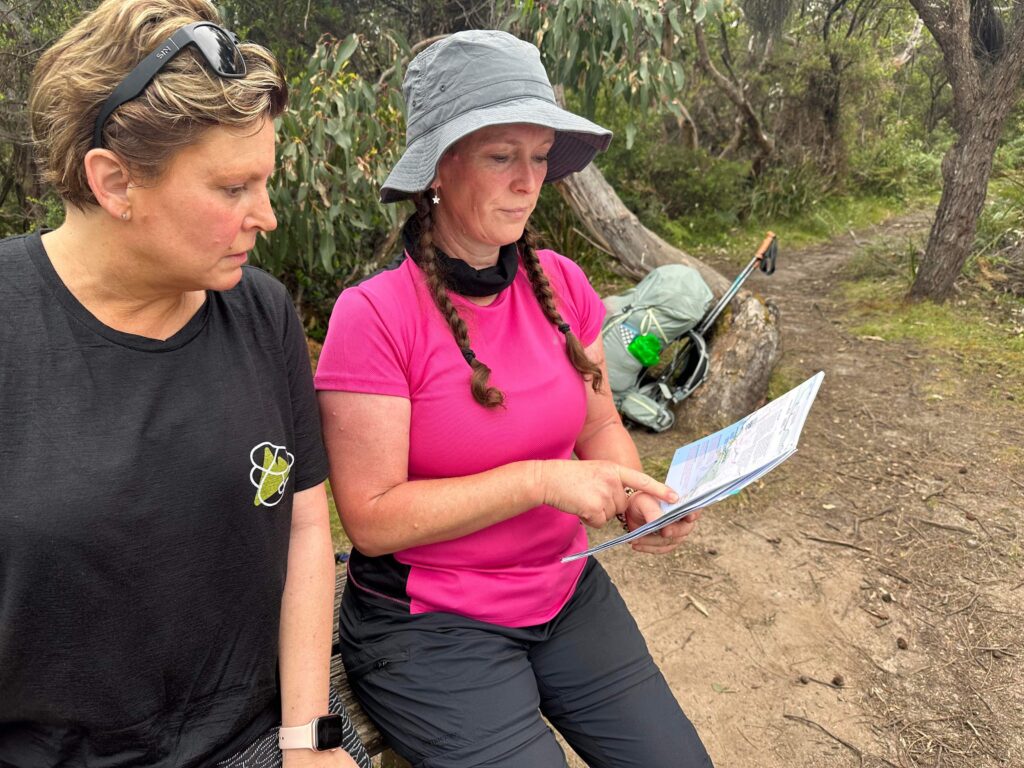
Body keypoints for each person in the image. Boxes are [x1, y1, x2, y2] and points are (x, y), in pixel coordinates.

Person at [315, 30, 714, 768]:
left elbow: (599, 422)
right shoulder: (374, 316)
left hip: (563, 591)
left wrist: (636, 496)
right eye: (502, 156)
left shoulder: (562, 285)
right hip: (430, 623)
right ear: (440, 168)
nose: (528, 181)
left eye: (538, 157)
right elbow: (370, 521)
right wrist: (538, 480)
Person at [0, 2, 369, 766]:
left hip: (256, 741)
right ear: (114, 182)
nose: (264, 216)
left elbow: (304, 529)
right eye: (233, 188)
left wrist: (308, 737)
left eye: (264, 183)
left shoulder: (261, 313)